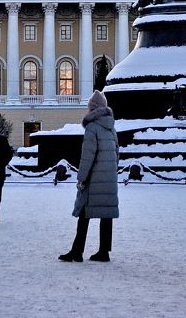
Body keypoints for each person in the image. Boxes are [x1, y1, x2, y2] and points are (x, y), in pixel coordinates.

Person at [60, 90, 119, 262]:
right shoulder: (111, 128)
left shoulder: (92, 127)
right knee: (106, 215)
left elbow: (88, 156)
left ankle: (77, 251)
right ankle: (104, 252)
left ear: (92, 109)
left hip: (94, 180)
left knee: (83, 214)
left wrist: (82, 179)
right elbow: (116, 154)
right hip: (108, 180)